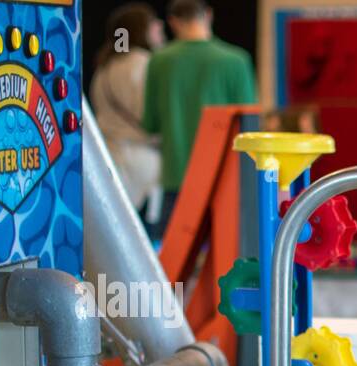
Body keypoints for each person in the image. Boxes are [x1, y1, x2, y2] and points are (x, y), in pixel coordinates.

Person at [141, 0, 257, 230]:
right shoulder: (236, 60)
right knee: (228, 254)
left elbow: (150, 123)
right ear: (209, 15)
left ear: (173, 22)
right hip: (224, 177)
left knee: (170, 258)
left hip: (177, 175)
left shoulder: (159, 61)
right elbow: (250, 125)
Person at [90, 4, 165, 236]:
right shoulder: (150, 65)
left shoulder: (102, 69)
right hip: (146, 165)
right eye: (154, 24)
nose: (160, 28)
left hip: (111, 162)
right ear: (143, 30)